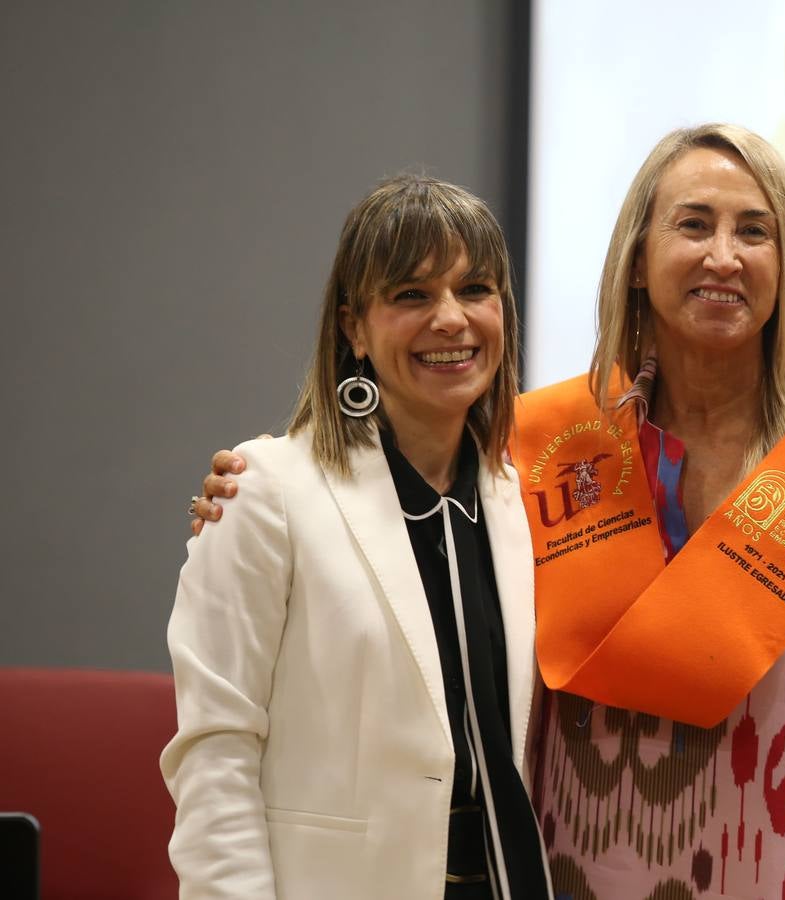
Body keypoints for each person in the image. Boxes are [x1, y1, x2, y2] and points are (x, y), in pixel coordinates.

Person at [194, 124, 785, 899]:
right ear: (636, 257)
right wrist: (248, 491)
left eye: (755, 232)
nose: (723, 255)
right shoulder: (539, 453)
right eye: (693, 224)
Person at [165, 175, 552, 899]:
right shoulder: (264, 492)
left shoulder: (525, 495)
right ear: (353, 328)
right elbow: (215, 753)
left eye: (476, 289)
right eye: (412, 295)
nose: (451, 319)